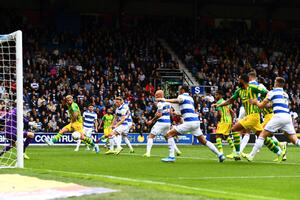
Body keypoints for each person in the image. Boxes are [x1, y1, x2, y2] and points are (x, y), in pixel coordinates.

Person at [216, 74, 282, 160]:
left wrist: (270, 104)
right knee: (262, 136)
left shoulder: (252, 88)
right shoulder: (239, 91)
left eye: (239, 80)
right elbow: (231, 100)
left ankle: (237, 153)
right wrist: (220, 105)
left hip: (254, 115)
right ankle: (279, 152)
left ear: (243, 80)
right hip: (251, 117)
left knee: (235, 129)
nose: (238, 82)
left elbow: (267, 93)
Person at [156, 85, 225, 162]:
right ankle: (220, 155)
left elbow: (177, 100)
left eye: (180, 89)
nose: (179, 91)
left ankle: (171, 156)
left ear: (182, 90)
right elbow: (187, 111)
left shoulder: (182, 96)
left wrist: (164, 99)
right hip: (196, 122)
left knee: (169, 134)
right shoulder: (190, 98)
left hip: (189, 122)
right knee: (204, 141)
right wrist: (178, 113)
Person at [245, 77, 299, 162]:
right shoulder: (285, 94)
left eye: (274, 82)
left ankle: (251, 156)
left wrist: (255, 102)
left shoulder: (272, 92)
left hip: (278, 116)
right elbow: (272, 105)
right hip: (287, 117)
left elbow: (261, 105)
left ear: (276, 83)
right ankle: (281, 147)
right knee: (294, 139)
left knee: (262, 134)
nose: (274, 83)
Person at [144, 90, 182, 157]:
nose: (155, 96)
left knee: (150, 136)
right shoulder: (168, 102)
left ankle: (148, 153)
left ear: (160, 96)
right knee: (168, 137)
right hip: (167, 122)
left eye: (156, 95)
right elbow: (170, 113)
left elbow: (159, 115)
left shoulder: (160, 104)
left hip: (161, 122)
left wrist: (152, 120)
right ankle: (177, 150)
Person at [212, 90, 236, 157]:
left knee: (218, 136)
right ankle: (234, 151)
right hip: (228, 121)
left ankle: (220, 152)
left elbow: (219, 114)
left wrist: (217, 121)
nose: (215, 96)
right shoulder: (226, 102)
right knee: (226, 136)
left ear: (220, 95)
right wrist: (231, 121)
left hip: (223, 120)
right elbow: (232, 113)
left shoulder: (219, 103)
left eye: (216, 95)